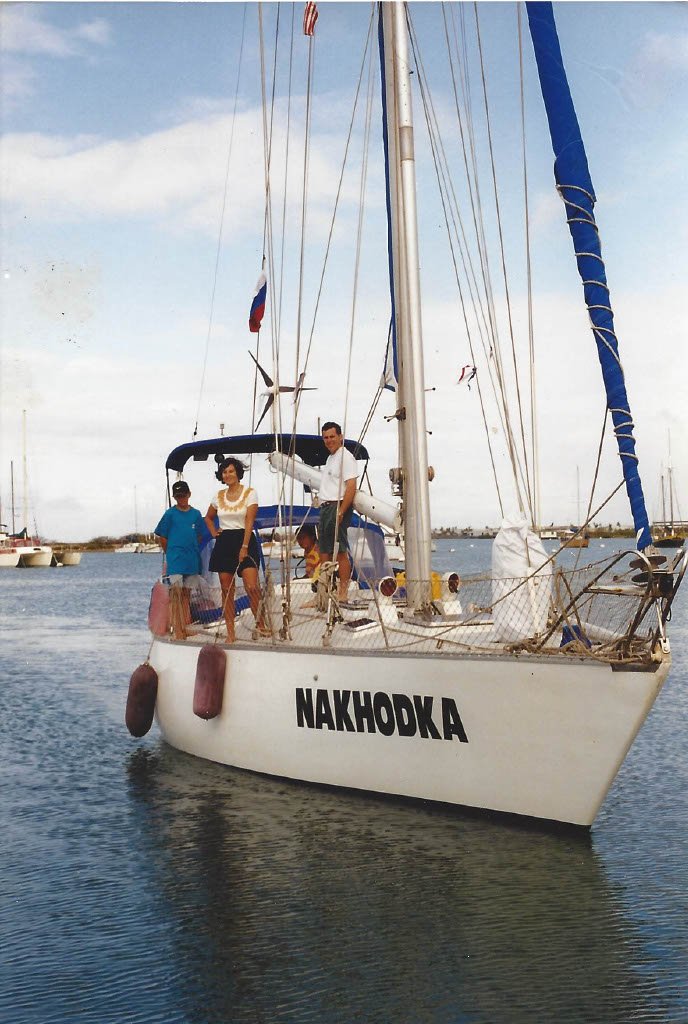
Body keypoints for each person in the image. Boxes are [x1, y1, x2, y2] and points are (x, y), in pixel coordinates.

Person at [205, 457, 267, 641]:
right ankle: (230, 632)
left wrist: (245, 546)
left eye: (231, 471)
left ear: (238, 473)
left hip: (244, 538)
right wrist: (215, 532)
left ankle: (261, 624)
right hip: (224, 541)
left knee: (252, 587)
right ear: (221, 476)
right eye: (224, 472)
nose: (228, 474)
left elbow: (249, 521)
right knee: (226, 589)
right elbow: (208, 517)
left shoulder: (250, 493)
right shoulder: (217, 496)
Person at [154, 480, 205, 640]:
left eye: (183, 496)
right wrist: (171, 552)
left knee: (186, 595)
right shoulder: (170, 514)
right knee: (175, 595)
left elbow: (200, 534)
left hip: (191, 560)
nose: (181, 499)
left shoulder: (196, 514)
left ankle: (184, 626)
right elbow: (162, 536)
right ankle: (177, 629)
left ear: (189, 495)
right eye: (178, 497)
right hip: (175, 561)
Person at [318, 421, 358, 600]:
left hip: (337, 507)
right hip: (325, 507)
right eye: (325, 437)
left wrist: (341, 511)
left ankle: (343, 592)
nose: (329, 440)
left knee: (340, 551)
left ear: (340, 437)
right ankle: (324, 592)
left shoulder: (346, 457)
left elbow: (351, 486)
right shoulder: (330, 458)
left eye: (332, 436)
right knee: (324, 552)